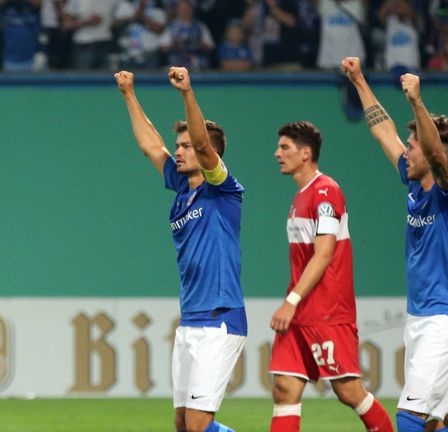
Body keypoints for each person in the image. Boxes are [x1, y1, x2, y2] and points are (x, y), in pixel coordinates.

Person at [342, 57, 448, 432]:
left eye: (413, 145)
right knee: (433, 423)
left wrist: (417, 101)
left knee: (409, 418)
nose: (406, 151)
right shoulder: (415, 182)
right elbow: (383, 131)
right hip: (420, 319)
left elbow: (436, 157)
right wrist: (359, 80)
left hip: (443, 321)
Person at [115, 68, 246, 432]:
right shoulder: (181, 188)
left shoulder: (222, 189)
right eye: (179, 145)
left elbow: (203, 147)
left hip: (220, 318)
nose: (179, 151)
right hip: (190, 319)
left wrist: (187, 93)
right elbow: (150, 146)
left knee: (199, 424)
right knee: (183, 423)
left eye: (186, 145)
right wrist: (129, 94)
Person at [268, 121, 393, 432]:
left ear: (306, 153)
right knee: (284, 388)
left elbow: (324, 254)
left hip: (326, 311)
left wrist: (291, 301)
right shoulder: (300, 196)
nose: (277, 154)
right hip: (299, 312)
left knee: (348, 391)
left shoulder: (326, 191)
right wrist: (294, 303)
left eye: (285, 147)